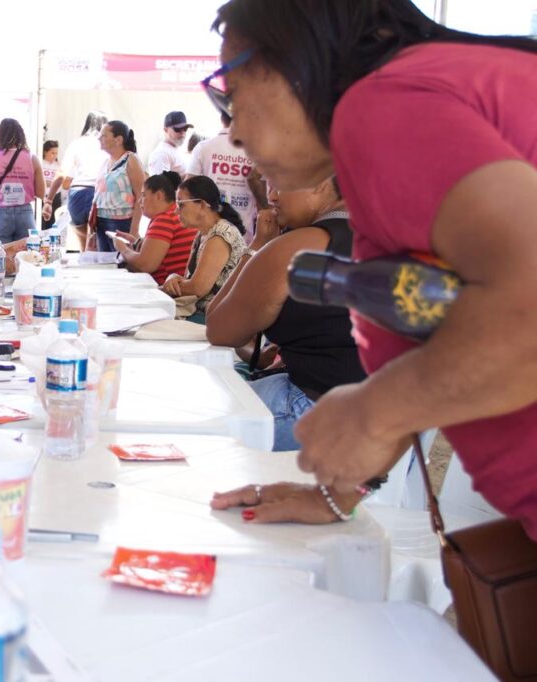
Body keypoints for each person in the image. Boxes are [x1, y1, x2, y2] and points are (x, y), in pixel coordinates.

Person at [207, 0, 537, 536]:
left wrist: (373, 412)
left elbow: (526, 304)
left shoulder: (385, 106)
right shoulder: (399, 122)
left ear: (296, 59)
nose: (232, 130)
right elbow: (404, 349)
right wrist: (338, 494)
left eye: (231, 93)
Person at [205, 177, 366, 450]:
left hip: (320, 416)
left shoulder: (301, 245)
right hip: (398, 427)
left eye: (279, 184)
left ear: (320, 182)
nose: (273, 197)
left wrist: (259, 246)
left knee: (199, 415)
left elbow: (219, 328)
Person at [161, 176, 246, 323]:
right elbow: (191, 281)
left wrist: (168, 286)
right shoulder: (204, 233)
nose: (176, 211)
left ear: (201, 205)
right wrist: (172, 278)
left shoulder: (221, 234)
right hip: (203, 311)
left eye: (180, 205)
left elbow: (198, 287)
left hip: (216, 316)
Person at [113, 171, 196, 285]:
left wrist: (123, 249)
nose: (139, 201)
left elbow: (146, 265)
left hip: (167, 290)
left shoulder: (164, 219)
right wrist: (136, 242)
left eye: (143, 195)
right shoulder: (174, 214)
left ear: (158, 196)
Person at [186, 115, 257, 242]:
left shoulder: (203, 148)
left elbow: (187, 191)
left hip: (209, 234)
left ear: (221, 119)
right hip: (244, 236)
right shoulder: (256, 150)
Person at [44, 111, 109, 246]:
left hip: (77, 194)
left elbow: (62, 173)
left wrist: (49, 200)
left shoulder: (76, 144)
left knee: (83, 245)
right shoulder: (107, 145)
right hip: (99, 195)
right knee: (98, 245)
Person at [0, 118, 45, 245]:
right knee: (27, 257)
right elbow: (41, 193)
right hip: (25, 213)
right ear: (21, 135)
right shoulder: (32, 159)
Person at [91, 120, 145, 251]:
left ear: (118, 140)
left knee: (120, 262)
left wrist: (134, 229)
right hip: (101, 220)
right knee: (105, 263)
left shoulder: (131, 160)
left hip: (122, 222)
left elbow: (141, 196)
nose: (99, 138)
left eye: (104, 135)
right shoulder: (105, 162)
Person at [147, 111, 193, 175]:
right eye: (177, 129)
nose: (182, 132)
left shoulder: (178, 148)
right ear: (166, 130)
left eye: (185, 129)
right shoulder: (161, 154)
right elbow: (160, 184)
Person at [40, 140, 61, 230]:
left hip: (55, 197)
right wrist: (45, 182)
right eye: (52, 153)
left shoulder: (58, 165)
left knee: (53, 223)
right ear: (45, 152)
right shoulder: (40, 163)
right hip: (43, 196)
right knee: (42, 223)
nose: (55, 155)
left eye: (56, 153)